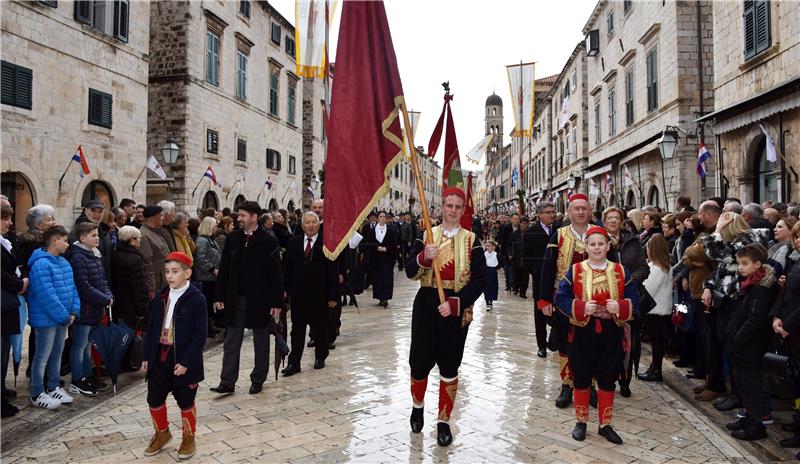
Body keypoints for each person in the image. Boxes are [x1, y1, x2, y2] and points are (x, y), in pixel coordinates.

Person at [405, 187, 486, 447]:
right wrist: (423, 258)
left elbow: (481, 280)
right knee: (419, 363)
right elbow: (409, 272)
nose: (452, 211)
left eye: (457, 207)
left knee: (450, 365)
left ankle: (443, 421)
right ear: (442, 207)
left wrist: (456, 303)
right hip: (427, 304)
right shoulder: (427, 236)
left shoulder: (473, 240)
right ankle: (418, 406)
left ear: (463, 210)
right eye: (448, 206)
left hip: (455, 307)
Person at [555, 226, 638, 445]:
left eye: (601, 244)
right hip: (583, 332)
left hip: (612, 333)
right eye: (592, 244)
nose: (597, 247)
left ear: (608, 246)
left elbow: (635, 299)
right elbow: (561, 297)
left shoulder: (621, 271)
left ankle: (605, 424)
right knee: (581, 376)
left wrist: (619, 306)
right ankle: (581, 422)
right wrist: (581, 308)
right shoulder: (575, 271)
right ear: (586, 246)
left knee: (608, 378)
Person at [211, 201, 283, 395]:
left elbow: (276, 274)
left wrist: (276, 302)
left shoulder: (268, 240)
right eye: (238, 215)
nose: (238, 218)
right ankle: (227, 382)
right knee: (231, 341)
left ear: (254, 217)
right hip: (236, 299)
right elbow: (224, 268)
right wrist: (219, 295)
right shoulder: (233, 238)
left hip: (260, 299)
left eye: (242, 215)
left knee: (261, 342)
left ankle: (258, 379)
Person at [141, 252, 207, 460]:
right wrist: (146, 355)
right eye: (167, 271)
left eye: (175, 272)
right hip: (159, 355)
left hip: (183, 358)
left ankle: (189, 437)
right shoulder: (162, 296)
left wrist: (186, 362)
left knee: (185, 400)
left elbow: (200, 334)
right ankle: (162, 433)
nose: (170, 276)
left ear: (187, 273)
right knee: (154, 398)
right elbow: (151, 328)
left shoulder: (196, 299)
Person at [537, 193, 593, 409]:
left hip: (594, 300)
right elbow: (547, 268)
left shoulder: (599, 235)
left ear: (589, 211)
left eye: (584, 208)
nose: (580, 212)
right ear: (569, 212)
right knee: (565, 344)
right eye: (576, 208)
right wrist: (544, 299)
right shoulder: (558, 236)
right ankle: (567, 385)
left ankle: (591, 386)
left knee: (592, 344)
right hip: (565, 300)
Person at [722, 244, 776, 441]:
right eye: (739, 264)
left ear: (758, 264)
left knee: (751, 383)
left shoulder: (762, 288)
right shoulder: (748, 284)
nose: (741, 268)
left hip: (751, 344)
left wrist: (737, 337)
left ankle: (756, 424)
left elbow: (755, 318)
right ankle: (749, 418)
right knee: (742, 381)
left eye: (745, 264)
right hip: (740, 342)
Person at [27, 225, 79, 409]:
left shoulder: (64, 263)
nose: (67, 244)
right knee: (42, 355)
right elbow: (46, 294)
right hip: (47, 319)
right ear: (54, 241)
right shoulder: (41, 264)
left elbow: (73, 289)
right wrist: (64, 315)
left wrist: (73, 311)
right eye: (64, 240)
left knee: (57, 353)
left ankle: (53, 386)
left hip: (63, 318)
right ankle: (37, 392)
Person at [281, 212, 339, 376]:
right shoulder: (293, 242)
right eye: (308, 222)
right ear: (302, 225)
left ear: (318, 224)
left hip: (320, 295)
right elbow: (287, 268)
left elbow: (332, 271)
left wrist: (333, 296)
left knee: (320, 329)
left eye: (314, 222)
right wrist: (284, 289)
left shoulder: (326, 243)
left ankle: (320, 356)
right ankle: (294, 363)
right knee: (297, 330)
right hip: (299, 295)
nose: (311, 225)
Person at [603, 207, 649, 397]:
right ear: (604, 221)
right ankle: (608, 377)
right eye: (610, 218)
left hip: (629, 296)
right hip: (605, 297)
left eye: (617, 218)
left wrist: (630, 279)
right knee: (608, 340)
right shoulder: (598, 240)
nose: (613, 221)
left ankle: (625, 378)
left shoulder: (632, 240)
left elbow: (644, 268)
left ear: (622, 220)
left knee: (629, 341)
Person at [66, 222, 114, 396]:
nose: (97, 238)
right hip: (84, 309)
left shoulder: (94, 254)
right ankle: (78, 379)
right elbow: (83, 286)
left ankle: (87, 376)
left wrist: (109, 296)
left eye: (97, 235)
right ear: (82, 238)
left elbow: (102, 281)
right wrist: (104, 299)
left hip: (95, 309)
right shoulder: (78, 257)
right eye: (93, 235)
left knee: (87, 345)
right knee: (79, 345)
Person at [771, 221, 800, 455]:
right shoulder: (794, 260)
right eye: (797, 237)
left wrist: (788, 324)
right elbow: (786, 290)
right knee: (795, 377)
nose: (798, 241)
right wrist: (777, 317)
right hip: (788, 325)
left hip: (795, 326)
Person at [1, 205, 27, 417]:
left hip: (7, 304)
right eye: (5, 219)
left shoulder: (5, 242)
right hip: (3, 301)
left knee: (4, 350)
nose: (10, 223)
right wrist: (19, 284)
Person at [639, 234, 674, 382]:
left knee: (657, 341)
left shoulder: (657, 268)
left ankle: (656, 370)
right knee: (657, 341)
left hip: (656, 310)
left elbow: (649, 289)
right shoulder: (663, 265)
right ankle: (654, 368)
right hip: (659, 309)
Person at [524, 202, 556, 358]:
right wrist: (535, 271)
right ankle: (541, 345)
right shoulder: (531, 232)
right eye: (548, 212)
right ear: (539, 215)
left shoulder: (559, 231)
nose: (552, 215)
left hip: (558, 278)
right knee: (540, 312)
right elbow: (525, 257)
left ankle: (555, 340)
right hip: (540, 279)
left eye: (553, 212)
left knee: (559, 309)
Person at [110, 226, 149, 335]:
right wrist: (142, 310)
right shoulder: (134, 258)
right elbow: (138, 286)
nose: (140, 240)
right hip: (131, 305)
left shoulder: (115, 254)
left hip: (119, 302)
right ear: (132, 240)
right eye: (138, 238)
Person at [194, 217, 222, 337]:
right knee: (206, 302)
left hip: (211, 277)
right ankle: (206, 328)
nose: (217, 228)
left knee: (210, 302)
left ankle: (210, 325)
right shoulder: (202, 241)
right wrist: (212, 269)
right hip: (205, 276)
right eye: (215, 225)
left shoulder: (210, 239)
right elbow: (201, 258)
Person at [366, 211, 398, 307]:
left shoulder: (391, 231)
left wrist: (386, 248)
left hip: (387, 259)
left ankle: (386, 298)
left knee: (387, 278)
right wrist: (376, 248)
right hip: (376, 258)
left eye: (384, 217)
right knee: (378, 278)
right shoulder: (372, 231)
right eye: (381, 216)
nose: (382, 218)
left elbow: (394, 245)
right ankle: (380, 297)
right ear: (378, 218)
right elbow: (369, 244)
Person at [139, 206, 171, 300]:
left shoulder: (157, 232)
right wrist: (151, 288)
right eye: (161, 215)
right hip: (157, 284)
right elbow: (146, 263)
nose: (163, 218)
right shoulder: (144, 235)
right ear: (153, 217)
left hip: (164, 281)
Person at [509, 216, 529, 298]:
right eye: (523, 223)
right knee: (517, 275)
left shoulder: (529, 233)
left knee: (525, 276)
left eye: (526, 224)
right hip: (516, 257)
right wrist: (510, 253)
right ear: (520, 224)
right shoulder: (514, 233)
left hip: (526, 258)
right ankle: (516, 287)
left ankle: (523, 292)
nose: (524, 225)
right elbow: (509, 245)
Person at [483, 240, 499, 310]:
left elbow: (502, 262)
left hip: (493, 272)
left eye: (489, 246)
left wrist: (496, 267)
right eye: (487, 246)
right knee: (486, 288)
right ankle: (487, 303)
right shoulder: (484, 254)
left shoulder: (496, 254)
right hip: (486, 272)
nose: (488, 247)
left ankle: (491, 302)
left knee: (492, 287)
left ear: (493, 247)